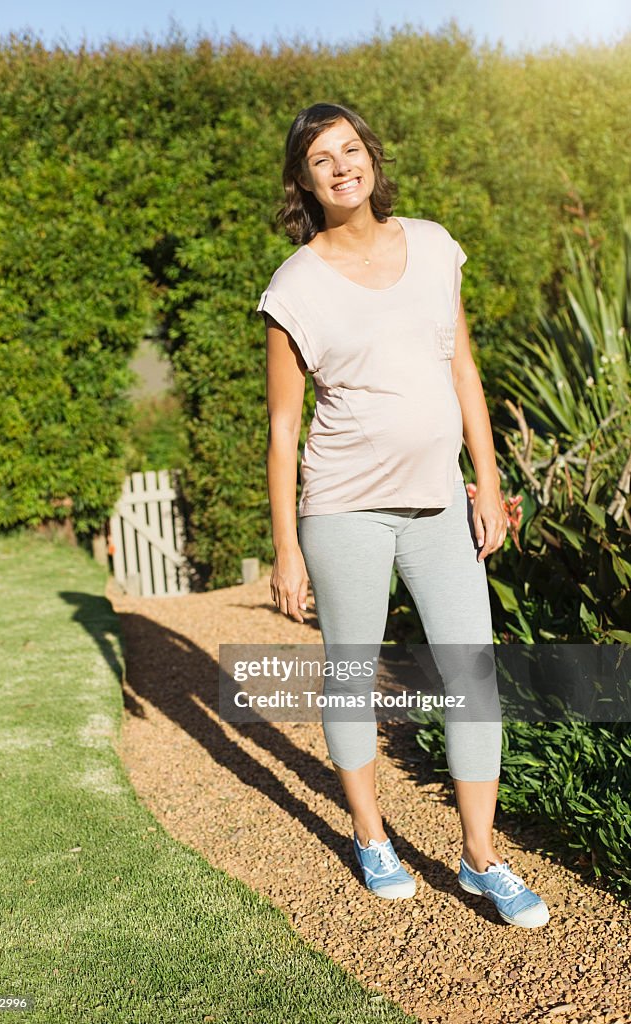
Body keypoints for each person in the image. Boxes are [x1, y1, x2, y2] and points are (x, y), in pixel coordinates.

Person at [257, 102, 549, 928]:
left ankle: (481, 859)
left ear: (372, 158)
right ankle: (372, 837)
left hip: (437, 503)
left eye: (352, 149)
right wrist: (287, 548)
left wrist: (487, 484)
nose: (343, 165)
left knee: (472, 679)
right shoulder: (294, 286)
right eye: (323, 159)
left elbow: (462, 370)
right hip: (344, 509)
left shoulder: (433, 244)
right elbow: (283, 429)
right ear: (304, 181)